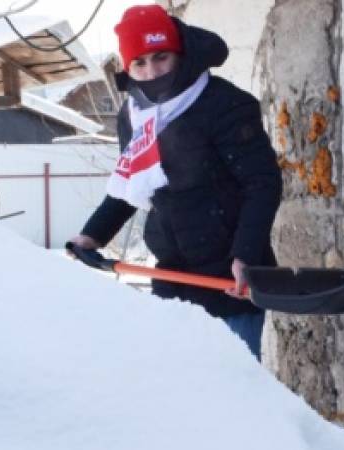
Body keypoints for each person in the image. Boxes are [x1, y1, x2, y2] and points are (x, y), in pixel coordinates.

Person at [69, 5, 282, 359]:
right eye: (140, 63)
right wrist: (91, 235)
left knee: (233, 395)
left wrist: (245, 256)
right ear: (128, 69)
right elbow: (131, 184)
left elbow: (262, 184)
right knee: (180, 389)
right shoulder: (134, 116)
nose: (151, 71)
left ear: (179, 54)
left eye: (161, 57)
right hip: (173, 273)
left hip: (229, 279)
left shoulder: (224, 105)